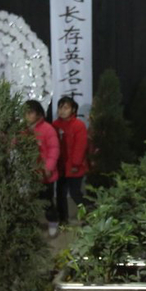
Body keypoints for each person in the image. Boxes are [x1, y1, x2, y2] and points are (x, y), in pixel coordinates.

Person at [24, 100, 60, 237]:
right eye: (25, 112)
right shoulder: (23, 130)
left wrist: (48, 168)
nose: (27, 115)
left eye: (30, 112)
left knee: (47, 202)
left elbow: (54, 149)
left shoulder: (47, 129)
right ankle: (32, 225)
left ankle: (53, 223)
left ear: (39, 113)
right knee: (30, 201)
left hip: (45, 175)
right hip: (30, 174)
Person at [51, 96, 88, 225]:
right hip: (60, 166)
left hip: (74, 167)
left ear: (73, 110)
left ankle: (88, 215)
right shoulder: (55, 125)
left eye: (66, 108)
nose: (62, 111)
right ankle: (63, 219)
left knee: (75, 193)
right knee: (60, 193)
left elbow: (80, 146)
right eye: (60, 108)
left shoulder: (79, 125)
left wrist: (76, 164)